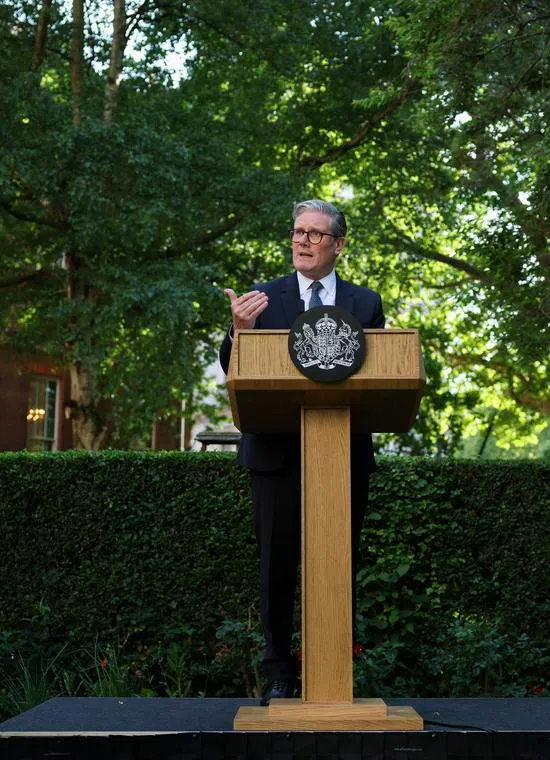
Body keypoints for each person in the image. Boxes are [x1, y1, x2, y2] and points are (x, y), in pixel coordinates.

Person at [219, 199, 385, 705]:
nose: (302, 241)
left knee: (338, 561)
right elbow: (233, 369)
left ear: (338, 243)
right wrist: (239, 332)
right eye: (297, 232)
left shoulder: (364, 303)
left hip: (343, 454)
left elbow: (380, 372)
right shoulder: (262, 300)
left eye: (315, 234)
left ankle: (333, 668)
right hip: (275, 454)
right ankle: (278, 670)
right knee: (277, 563)